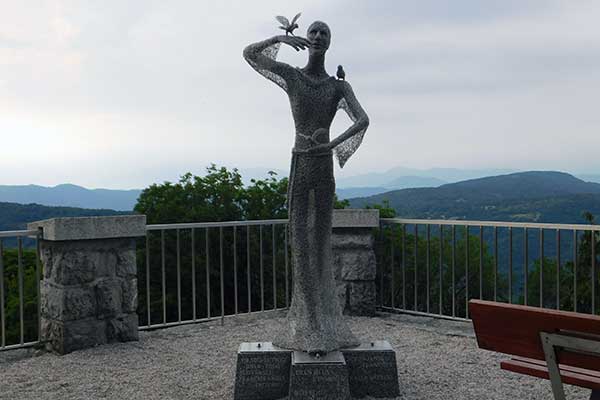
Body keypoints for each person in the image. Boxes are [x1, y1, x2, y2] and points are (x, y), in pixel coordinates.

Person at [243, 21, 369, 354]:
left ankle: (324, 325)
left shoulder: (338, 86)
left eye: (323, 33)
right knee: (299, 241)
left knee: (320, 242)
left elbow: (362, 120)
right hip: (300, 163)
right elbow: (250, 55)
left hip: (322, 166)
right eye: (313, 32)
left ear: (330, 42)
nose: (316, 37)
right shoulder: (293, 77)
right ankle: (308, 324)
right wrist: (280, 39)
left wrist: (331, 146)